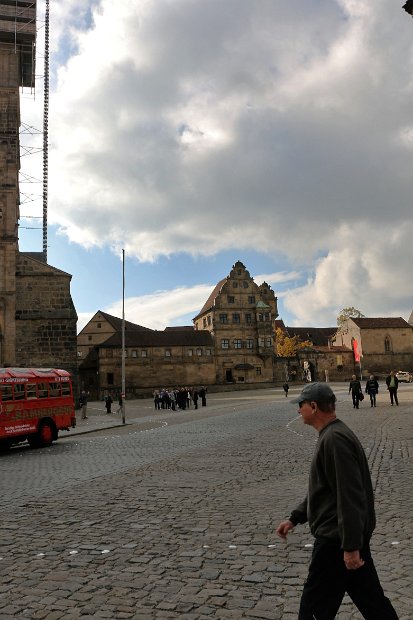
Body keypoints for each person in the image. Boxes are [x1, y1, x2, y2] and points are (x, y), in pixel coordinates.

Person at [275, 382, 398, 620]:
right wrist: (295, 517)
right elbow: (325, 490)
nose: (298, 410)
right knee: (373, 603)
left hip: (335, 542)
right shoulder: (332, 435)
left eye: (300, 405)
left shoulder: (335, 439)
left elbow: (349, 495)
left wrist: (351, 546)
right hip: (343, 540)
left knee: (312, 609)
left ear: (313, 406)